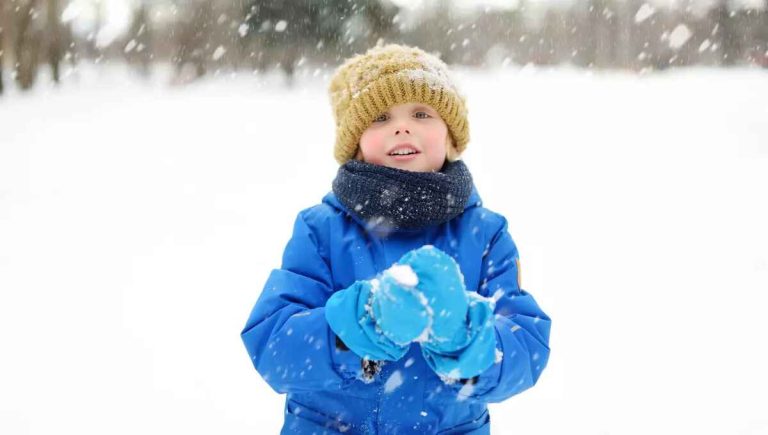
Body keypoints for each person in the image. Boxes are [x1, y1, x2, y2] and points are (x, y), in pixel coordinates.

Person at [241, 44, 551, 434]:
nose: (402, 127)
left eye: (422, 113)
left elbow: (526, 346)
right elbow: (274, 344)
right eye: (381, 117)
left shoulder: (485, 234)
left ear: (451, 138)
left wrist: (465, 337)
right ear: (355, 146)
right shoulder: (320, 230)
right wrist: (358, 325)